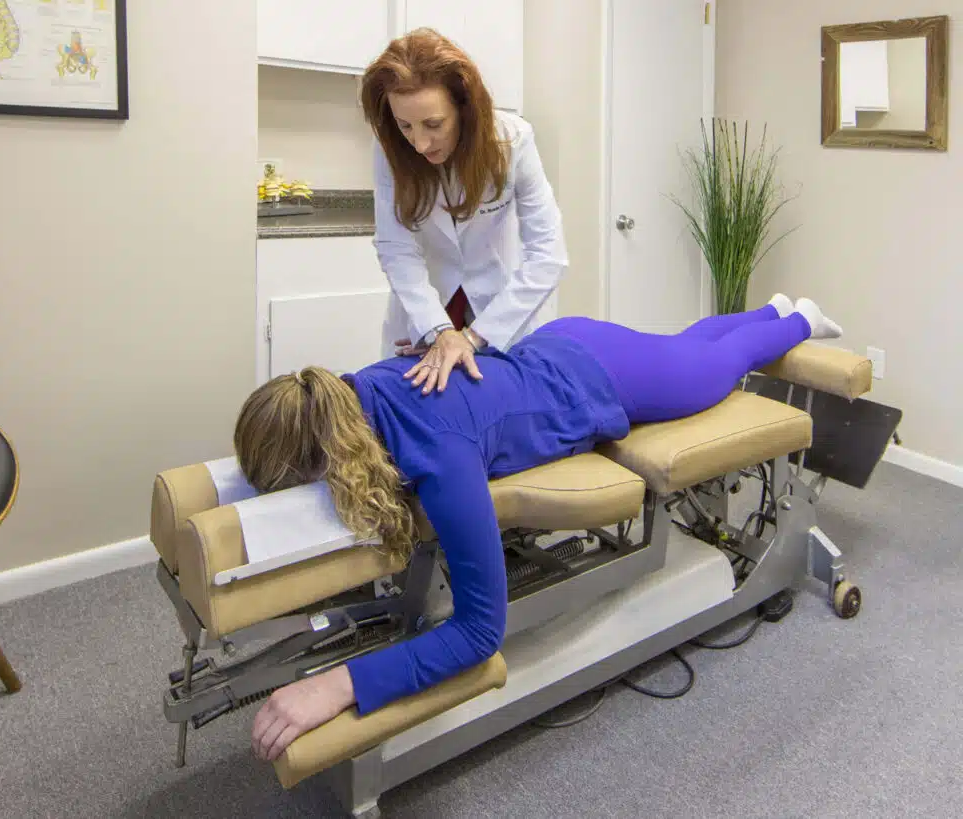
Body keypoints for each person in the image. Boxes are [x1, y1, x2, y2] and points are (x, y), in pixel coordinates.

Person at [242, 294, 844, 761]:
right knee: (684, 347)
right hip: (557, 347)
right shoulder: (348, 392)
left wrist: (339, 685)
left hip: (600, 375)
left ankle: (797, 320)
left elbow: (480, 632)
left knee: (718, 364)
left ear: (329, 461)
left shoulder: (439, 455)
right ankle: (770, 308)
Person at [360, 28, 568, 397]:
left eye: (434, 125)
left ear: (464, 108)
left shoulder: (512, 141)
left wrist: (472, 338)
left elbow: (548, 254)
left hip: (501, 314)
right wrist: (438, 331)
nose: (420, 143)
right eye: (405, 125)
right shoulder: (389, 147)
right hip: (427, 314)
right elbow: (396, 248)